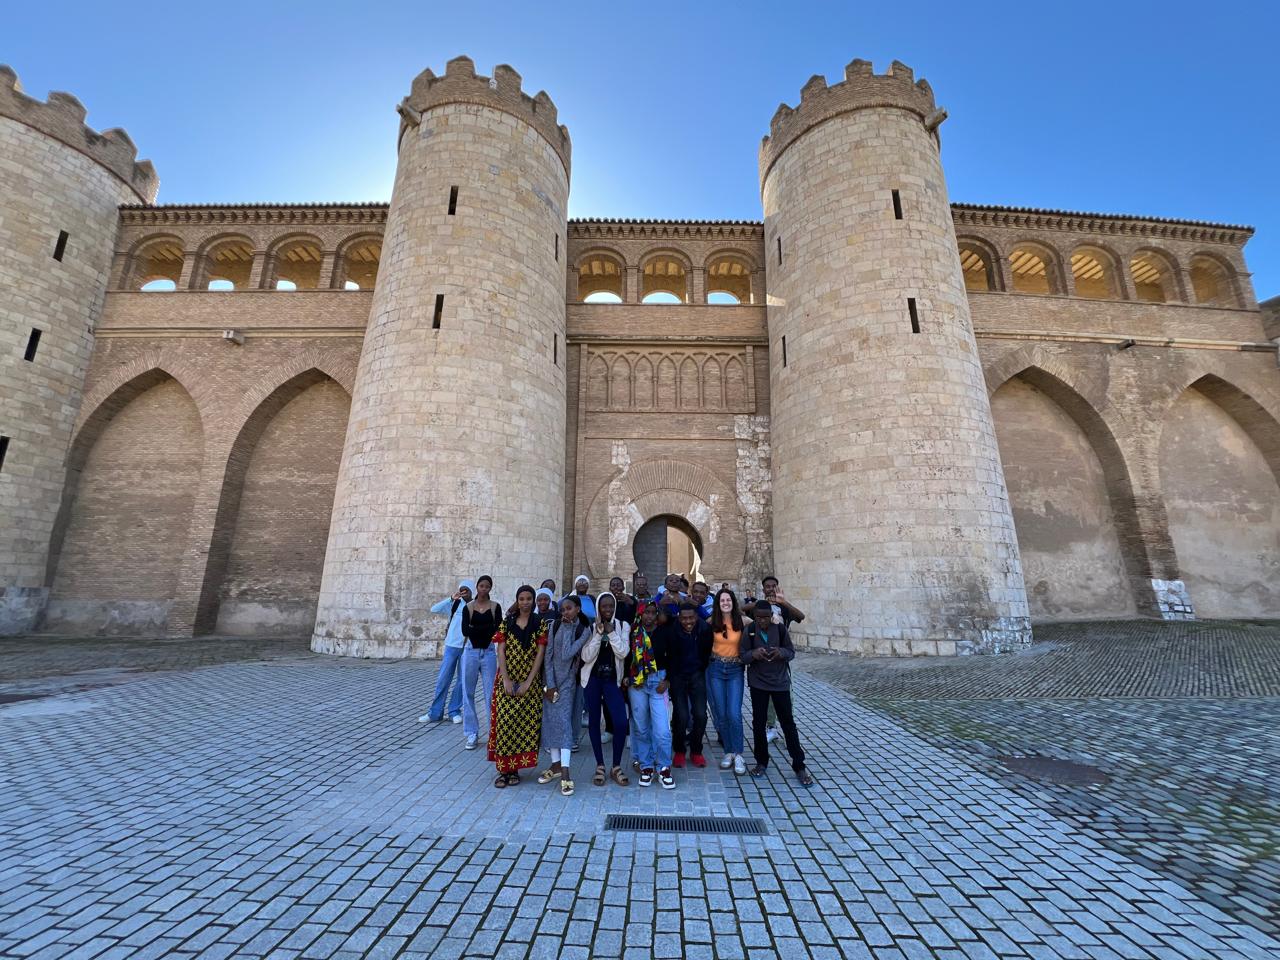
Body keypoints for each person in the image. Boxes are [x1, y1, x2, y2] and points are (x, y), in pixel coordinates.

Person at [741, 600, 813, 787]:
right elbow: (742, 655)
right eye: (759, 617)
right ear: (754, 617)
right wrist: (753, 654)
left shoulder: (780, 630)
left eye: (766, 617)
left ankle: (799, 765)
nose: (762, 621)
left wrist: (781, 652)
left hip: (780, 683)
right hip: (758, 684)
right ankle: (761, 761)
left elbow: (791, 652)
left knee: (788, 724)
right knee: (758, 724)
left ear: (771, 616)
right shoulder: (750, 630)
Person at [489, 585, 548, 787]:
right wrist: (505, 679)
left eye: (528, 599)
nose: (525, 602)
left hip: (529, 683)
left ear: (533, 600)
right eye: (521, 599)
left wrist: (529, 682)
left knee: (523, 725)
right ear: (517, 600)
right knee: (505, 724)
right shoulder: (507, 622)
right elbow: (501, 650)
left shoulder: (539, 623)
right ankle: (503, 770)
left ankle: (514, 769)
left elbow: (540, 654)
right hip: (507, 681)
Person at [743, 576, 807, 743]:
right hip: (761, 660)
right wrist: (761, 604)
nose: (771, 589)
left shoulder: (783, 608)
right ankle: (771, 728)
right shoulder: (758, 607)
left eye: (773, 586)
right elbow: (739, 610)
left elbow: (801, 616)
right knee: (766, 700)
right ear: (763, 589)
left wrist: (783, 602)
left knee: (787, 698)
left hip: (780, 659)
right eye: (767, 586)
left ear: (777, 587)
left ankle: (788, 730)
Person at [538, 595, 590, 796]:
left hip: (568, 684)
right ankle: (555, 765)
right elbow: (549, 655)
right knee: (550, 723)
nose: (565, 612)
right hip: (551, 682)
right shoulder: (555, 625)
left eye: (569, 608)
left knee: (564, 725)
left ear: (577, 609)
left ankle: (566, 771)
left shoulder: (583, 630)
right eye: (562, 610)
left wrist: (568, 629)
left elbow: (567, 654)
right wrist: (550, 684)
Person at [579, 592, 630, 786]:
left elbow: (623, 652)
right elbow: (586, 656)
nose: (607, 610)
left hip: (612, 681)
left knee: (621, 722)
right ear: (598, 608)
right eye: (604, 606)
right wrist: (599, 634)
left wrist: (612, 633)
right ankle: (599, 764)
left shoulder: (623, 626)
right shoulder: (591, 627)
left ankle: (616, 765)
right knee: (594, 722)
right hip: (593, 680)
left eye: (611, 606)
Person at [623, 600, 674, 789]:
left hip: (658, 682)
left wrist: (667, 680)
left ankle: (664, 767)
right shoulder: (633, 634)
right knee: (641, 728)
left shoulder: (665, 632)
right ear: (640, 614)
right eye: (646, 612)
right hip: (637, 684)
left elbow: (674, 657)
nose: (650, 616)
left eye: (653, 612)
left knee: (662, 730)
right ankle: (646, 766)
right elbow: (627, 657)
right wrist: (626, 676)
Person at [419, 579, 473, 724]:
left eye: (466, 589)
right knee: (443, 679)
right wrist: (451, 598)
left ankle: (454, 711)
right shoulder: (454, 604)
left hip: (466, 647)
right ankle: (435, 712)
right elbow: (434, 609)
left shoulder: (475, 606)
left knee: (462, 681)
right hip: (451, 646)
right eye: (462, 589)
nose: (464, 592)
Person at [707, 587, 747, 775]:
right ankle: (728, 752)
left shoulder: (743, 621)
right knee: (721, 714)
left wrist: (775, 618)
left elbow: (762, 622)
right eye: (722, 600)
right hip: (716, 668)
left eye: (728, 600)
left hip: (735, 669)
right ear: (718, 603)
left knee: (734, 713)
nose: (725, 603)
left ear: (733, 602)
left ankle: (738, 754)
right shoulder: (711, 622)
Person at [460, 575, 502, 750]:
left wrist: (476, 629)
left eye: (487, 586)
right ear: (477, 587)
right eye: (481, 586)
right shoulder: (468, 607)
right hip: (471, 651)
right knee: (467, 692)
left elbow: (497, 629)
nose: (484, 589)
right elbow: (465, 630)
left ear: (490, 588)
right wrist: (485, 629)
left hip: (489, 652)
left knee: (491, 693)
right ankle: (471, 732)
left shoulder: (495, 607)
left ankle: (493, 733)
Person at [668, 601, 712, 768]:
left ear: (697, 617)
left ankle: (696, 750)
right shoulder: (672, 630)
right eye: (684, 618)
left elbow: (706, 653)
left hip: (696, 674)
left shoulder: (705, 629)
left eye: (691, 618)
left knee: (700, 714)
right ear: (679, 617)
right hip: (678, 676)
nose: (688, 622)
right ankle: (679, 750)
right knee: (681, 715)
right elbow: (670, 655)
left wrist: (699, 668)